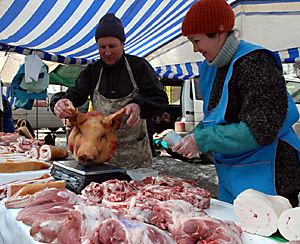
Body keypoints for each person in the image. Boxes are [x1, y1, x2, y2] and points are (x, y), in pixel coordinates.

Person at [174, 0, 300, 207]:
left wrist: (202, 140)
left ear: (219, 32)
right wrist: (193, 136)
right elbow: (216, 117)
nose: (195, 49)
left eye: (196, 41)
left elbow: (261, 129)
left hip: (269, 171)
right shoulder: (209, 68)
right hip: (232, 172)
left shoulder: (256, 62)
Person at [50, 13, 168, 169]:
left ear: (122, 44)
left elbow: (160, 99)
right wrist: (60, 103)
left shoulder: (139, 67)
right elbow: (75, 94)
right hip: (100, 155)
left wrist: (140, 105)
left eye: (112, 46)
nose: (107, 52)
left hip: (135, 156)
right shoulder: (93, 71)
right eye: (102, 47)